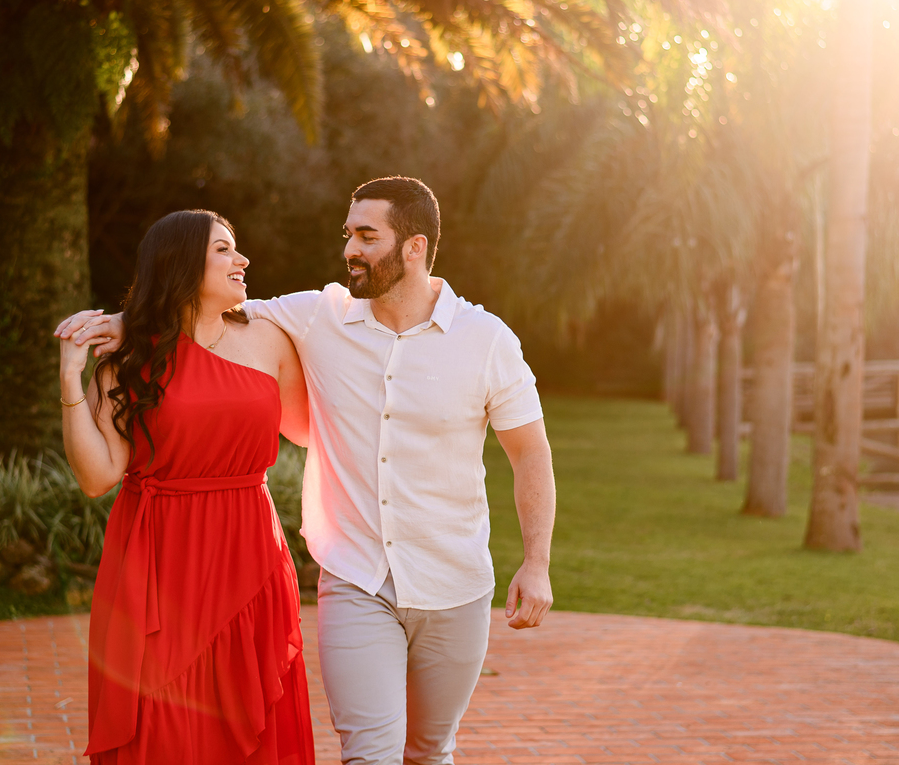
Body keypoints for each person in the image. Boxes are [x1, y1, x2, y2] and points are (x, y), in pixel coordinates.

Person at [62, 176, 557, 765]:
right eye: (348, 234)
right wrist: (125, 328)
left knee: (429, 750)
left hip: (447, 578)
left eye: (366, 236)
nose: (350, 249)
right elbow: (193, 322)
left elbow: (529, 452)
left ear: (415, 246)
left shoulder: (485, 339)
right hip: (349, 576)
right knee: (369, 753)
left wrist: (537, 561)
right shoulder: (313, 317)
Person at [55, 209, 315, 765]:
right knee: (165, 720)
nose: (242, 260)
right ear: (179, 264)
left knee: (249, 711)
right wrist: (69, 378)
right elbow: (98, 476)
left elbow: (315, 431)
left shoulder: (269, 340)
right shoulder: (126, 362)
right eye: (223, 249)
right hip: (160, 563)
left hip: (250, 555)